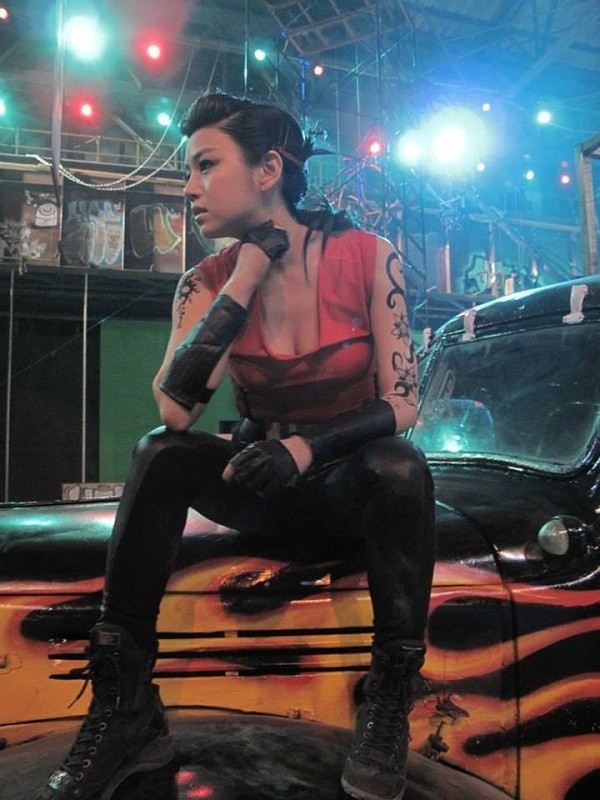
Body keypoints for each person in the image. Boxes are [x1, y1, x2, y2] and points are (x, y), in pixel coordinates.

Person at [37, 91, 435, 800]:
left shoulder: (370, 256)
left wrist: (307, 449)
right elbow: (175, 409)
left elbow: (404, 403)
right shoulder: (207, 280)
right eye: (189, 171)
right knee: (161, 452)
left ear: (268, 169)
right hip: (259, 489)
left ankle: (388, 699)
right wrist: (246, 276)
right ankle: (127, 709)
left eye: (206, 165)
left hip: (345, 490)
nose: (188, 188)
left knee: (400, 467)